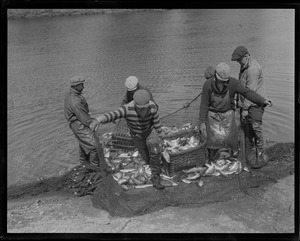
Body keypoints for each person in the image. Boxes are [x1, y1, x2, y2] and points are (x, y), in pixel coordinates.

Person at [90, 89, 165, 190]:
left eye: (144, 108)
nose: (143, 110)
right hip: (136, 135)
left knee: (155, 152)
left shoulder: (152, 106)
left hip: (150, 132)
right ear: (135, 104)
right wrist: (98, 120)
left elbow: (156, 121)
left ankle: (156, 178)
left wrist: (160, 133)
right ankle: (148, 166)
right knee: (145, 154)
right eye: (140, 108)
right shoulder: (127, 108)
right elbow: (112, 114)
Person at [198, 63, 272, 165]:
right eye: (221, 81)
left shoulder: (233, 83)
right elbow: (204, 105)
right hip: (212, 116)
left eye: (225, 81)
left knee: (230, 140)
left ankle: (232, 159)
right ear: (215, 75)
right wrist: (202, 122)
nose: (224, 83)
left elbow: (247, 93)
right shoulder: (207, 85)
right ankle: (212, 159)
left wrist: (262, 100)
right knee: (213, 141)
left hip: (228, 115)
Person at [231, 46, 268, 168]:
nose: (237, 62)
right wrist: (236, 100)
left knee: (256, 128)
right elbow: (240, 85)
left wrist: (245, 109)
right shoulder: (244, 66)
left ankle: (260, 155)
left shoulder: (253, 69)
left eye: (239, 59)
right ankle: (251, 152)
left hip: (255, 104)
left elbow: (251, 92)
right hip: (245, 102)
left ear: (246, 56)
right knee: (248, 129)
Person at [64, 75, 99, 166]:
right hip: (78, 124)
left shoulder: (72, 94)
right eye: (81, 85)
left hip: (77, 122)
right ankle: (94, 166)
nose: (83, 87)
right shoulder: (75, 101)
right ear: (75, 86)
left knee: (84, 143)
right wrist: (94, 123)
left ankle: (83, 163)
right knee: (93, 146)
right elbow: (84, 118)